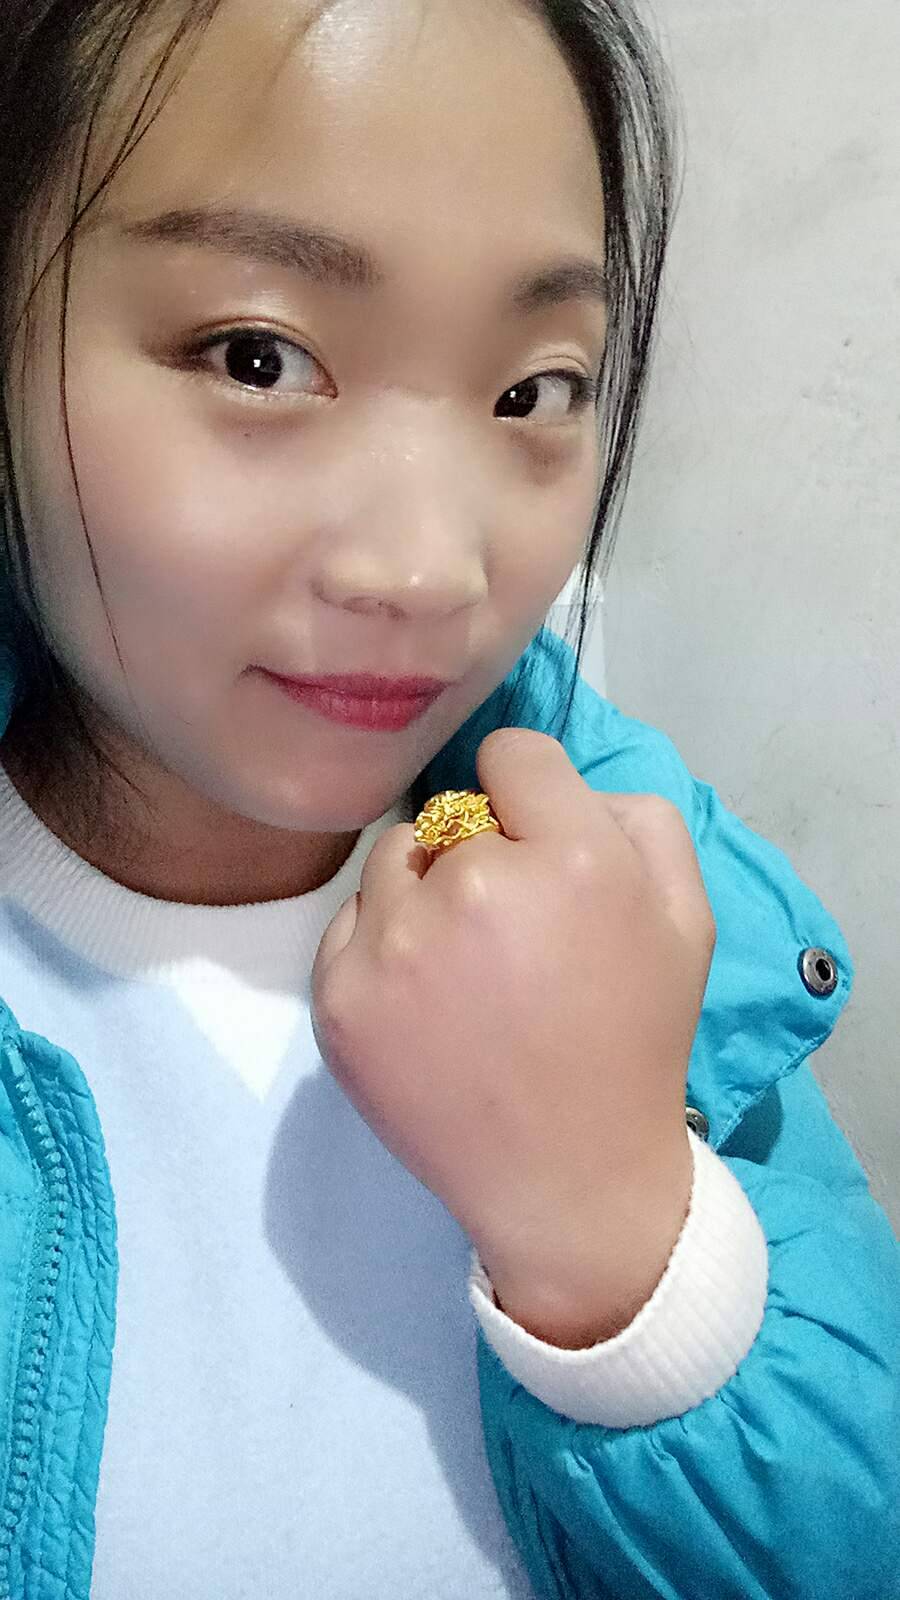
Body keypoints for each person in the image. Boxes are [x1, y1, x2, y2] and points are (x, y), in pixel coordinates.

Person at [0, 0, 896, 1596]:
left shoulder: (655, 910)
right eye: (259, 357)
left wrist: (630, 1248)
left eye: (532, 393)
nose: (431, 570)